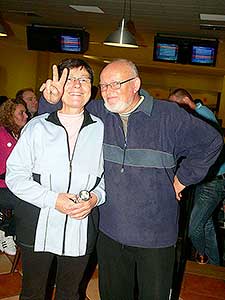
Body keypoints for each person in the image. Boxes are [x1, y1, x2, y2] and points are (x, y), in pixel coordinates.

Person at [39, 59, 223, 300]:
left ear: (135, 84)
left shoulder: (167, 115)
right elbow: (52, 125)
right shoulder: (98, 114)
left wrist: (182, 180)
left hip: (156, 236)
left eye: (116, 84)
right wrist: (49, 101)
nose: (108, 91)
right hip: (110, 232)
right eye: (103, 85)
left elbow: (211, 142)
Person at [6, 58, 105, 300]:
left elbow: (106, 178)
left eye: (84, 80)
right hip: (37, 223)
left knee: (70, 293)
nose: (76, 85)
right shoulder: (37, 127)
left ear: (92, 89)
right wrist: (53, 200)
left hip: (80, 226)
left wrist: (95, 198)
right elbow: (15, 176)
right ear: (58, 86)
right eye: (69, 79)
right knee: (32, 293)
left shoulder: (101, 128)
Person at [168, 88, 225, 265]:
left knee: (194, 228)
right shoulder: (201, 113)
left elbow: (210, 146)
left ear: (186, 100)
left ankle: (203, 256)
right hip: (208, 180)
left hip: (213, 182)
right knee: (206, 224)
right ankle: (215, 264)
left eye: (176, 105)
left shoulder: (201, 115)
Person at [0, 98, 28, 255]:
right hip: (2, 187)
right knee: (25, 202)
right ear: (10, 115)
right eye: (21, 113)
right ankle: (7, 233)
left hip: (16, 184)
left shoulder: (22, 134)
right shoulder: (1, 134)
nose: (26, 116)